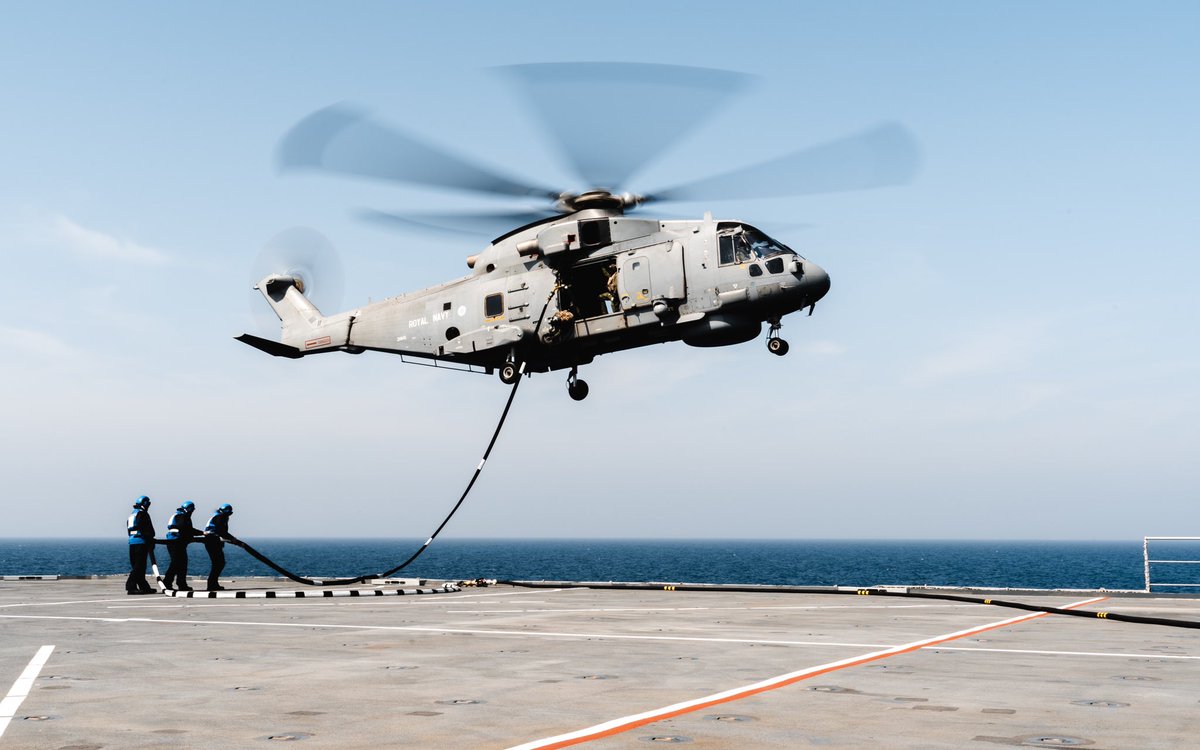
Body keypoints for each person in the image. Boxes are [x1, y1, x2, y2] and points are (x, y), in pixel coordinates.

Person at [163, 501, 201, 591]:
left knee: (182, 564)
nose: (192, 511)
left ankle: (181, 584)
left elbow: (187, 530)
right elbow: (186, 529)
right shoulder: (182, 517)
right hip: (175, 542)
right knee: (175, 563)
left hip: (177, 542)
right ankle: (167, 583)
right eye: (191, 509)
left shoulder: (180, 516)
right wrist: (201, 533)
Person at [125, 495, 156, 595]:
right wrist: (150, 539)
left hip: (132, 542)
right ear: (145, 503)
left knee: (138, 566)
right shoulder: (143, 514)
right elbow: (146, 529)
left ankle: (144, 586)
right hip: (141, 542)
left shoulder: (132, 515)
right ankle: (131, 586)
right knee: (139, 566)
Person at [203, 503, 234, 591]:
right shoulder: (219, 518)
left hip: (215, 541)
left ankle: (214, 584)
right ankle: (211, 585)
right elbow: (221, 531)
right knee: (218, 563)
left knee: (219, 563)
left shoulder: (220, 517)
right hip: (211, 541)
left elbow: (222, 532)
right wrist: (232, 538)